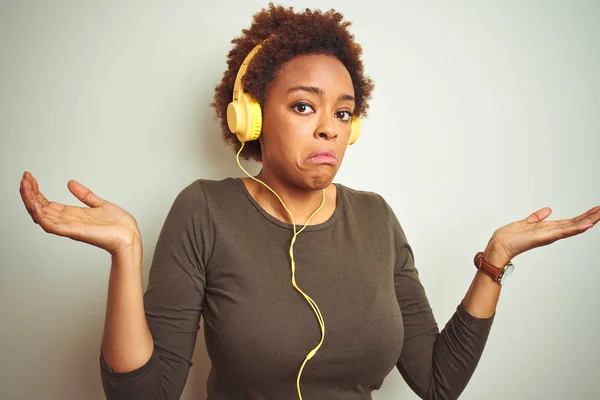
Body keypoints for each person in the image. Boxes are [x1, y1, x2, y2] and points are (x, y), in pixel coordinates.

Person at [19, 4, 599, 400]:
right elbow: (147, 394)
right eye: (303, 106)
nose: (329, 128)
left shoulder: (376, 218)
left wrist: (494, 260)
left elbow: (436, 381)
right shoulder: (204, 211)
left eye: (343, 112)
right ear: (249, 116)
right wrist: (126, 251)